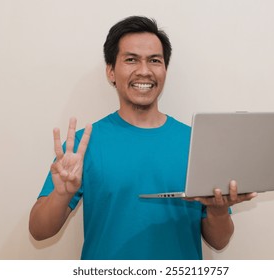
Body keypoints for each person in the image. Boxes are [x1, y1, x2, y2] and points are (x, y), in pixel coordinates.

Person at [29, 16, 257, 260]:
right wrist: (61, 194)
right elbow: (39, 231)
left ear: (164, 70)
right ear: (111, 71)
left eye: (154, 61)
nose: (144, 71)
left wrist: (219, 211)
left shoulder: (197, 143)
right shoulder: (84, 145)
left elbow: (219, 241)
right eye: (131, 60)